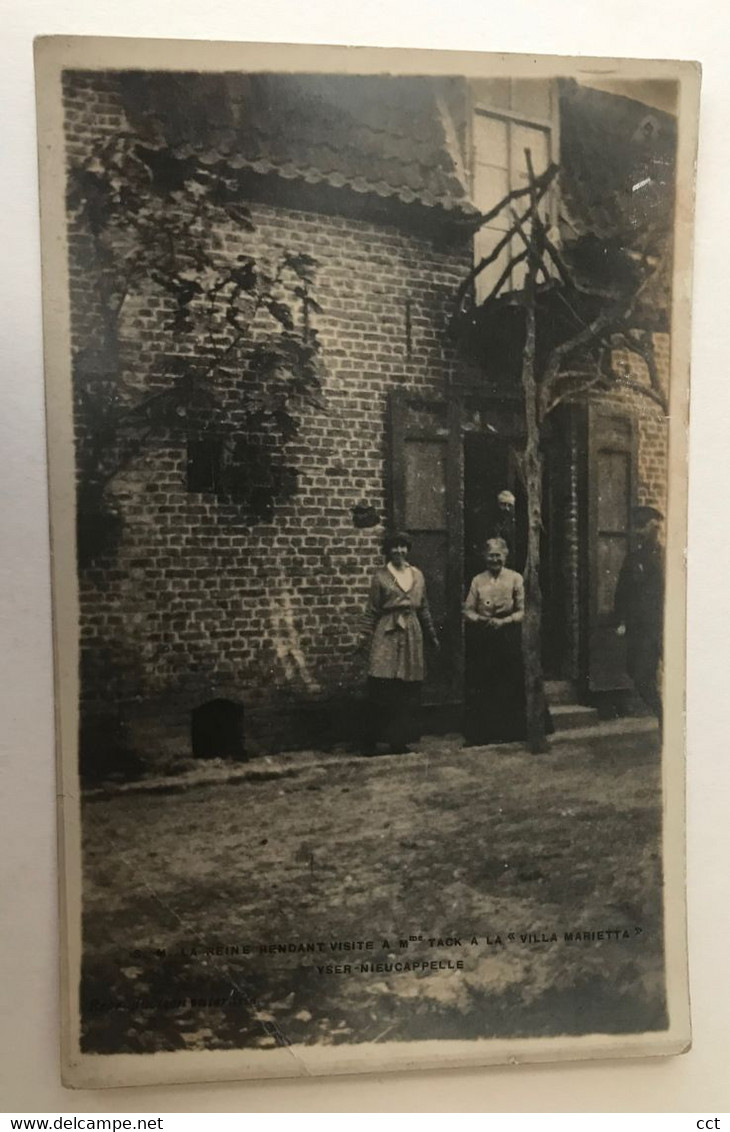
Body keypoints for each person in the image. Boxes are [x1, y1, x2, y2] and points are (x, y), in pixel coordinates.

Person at [359, 532, 439, 755]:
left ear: (408, 549)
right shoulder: (381, 577)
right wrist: (364, 636)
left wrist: (431, 635)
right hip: (388, 631)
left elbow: (423, 608)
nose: (399, 552)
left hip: (411, 632)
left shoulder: (418, 575)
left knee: (407, 687)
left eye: (403, 547)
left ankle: (399, 740)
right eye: (394, 547)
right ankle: (372, 740)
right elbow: (372, 610)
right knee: (382, 683)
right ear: (388, 550)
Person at [463, 537, 527, 745]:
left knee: (508, 684)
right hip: (484, 637)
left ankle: (510, 731)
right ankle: (483, 733)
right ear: (484, 557)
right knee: (484, 684)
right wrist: (481, 619)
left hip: (508, 636)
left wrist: (506, 620)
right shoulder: (477, 580)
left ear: (505, 556)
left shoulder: (515, 578)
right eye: (490, 555)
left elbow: (523, 610)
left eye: (498, 555)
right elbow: (467, 610)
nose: (494, 560)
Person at [614, 506, 665, 724]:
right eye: (638, 527)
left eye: (644, 527)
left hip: (657, 629)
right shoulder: (633, 559)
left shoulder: (665, 557)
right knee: (636, 673)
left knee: (644, 677)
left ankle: (666, 719)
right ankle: (666, 716)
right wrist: (620, 620)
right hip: (637, 629)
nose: (640, 532)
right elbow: (622, 591)